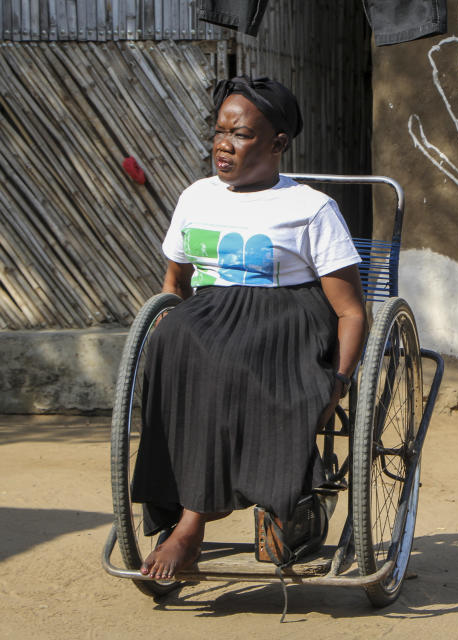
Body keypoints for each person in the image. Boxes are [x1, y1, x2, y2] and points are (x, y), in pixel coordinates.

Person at [130, 76, 366, 580]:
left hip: (288, 318)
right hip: (212, 312)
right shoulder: (196, 197)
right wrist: (177, 334)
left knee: (234, 360)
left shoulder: (311, 209)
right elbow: (175, 285)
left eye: (240, 135)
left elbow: (351, 311)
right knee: (173, 340)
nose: (222, 144)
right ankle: (183, 511)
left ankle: (196, 526)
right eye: (219, 131)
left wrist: (339, 383)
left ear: (278, 143)